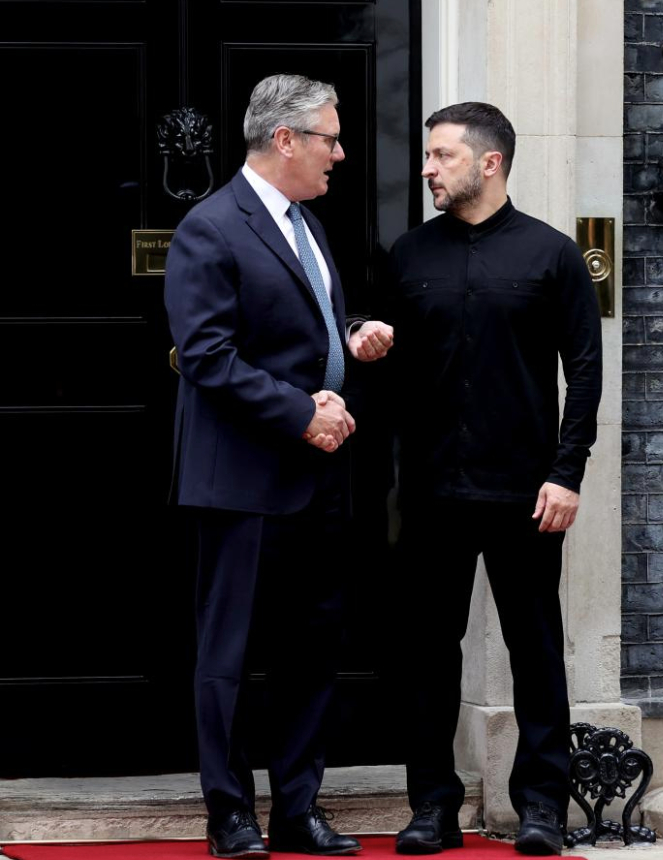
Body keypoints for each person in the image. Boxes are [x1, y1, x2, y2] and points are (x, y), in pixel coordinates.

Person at [165, 73, 393, 860]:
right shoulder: (210, 226)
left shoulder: (307, 224)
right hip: (242, 479)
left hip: (318, 477)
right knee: (228, 656)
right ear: (285, 139)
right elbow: (207, 355)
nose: (340, 151)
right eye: (329, 136)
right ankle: (230, 815)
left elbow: (301, 323)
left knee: (311, 650)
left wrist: (354, 330)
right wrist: (304, 411)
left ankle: (298, 808)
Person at [384, 102, 602, 856]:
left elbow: (586, 370)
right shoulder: (408, 255)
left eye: (441, 155)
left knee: (536, 650)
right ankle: (432, 808)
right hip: (433, 491)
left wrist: (566, 472)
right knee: (426, 655)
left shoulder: (553, 256)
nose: (427, 168)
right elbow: (380, 360)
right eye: (428, 155)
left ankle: (542, 806)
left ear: (490, 162)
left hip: (525, 494)